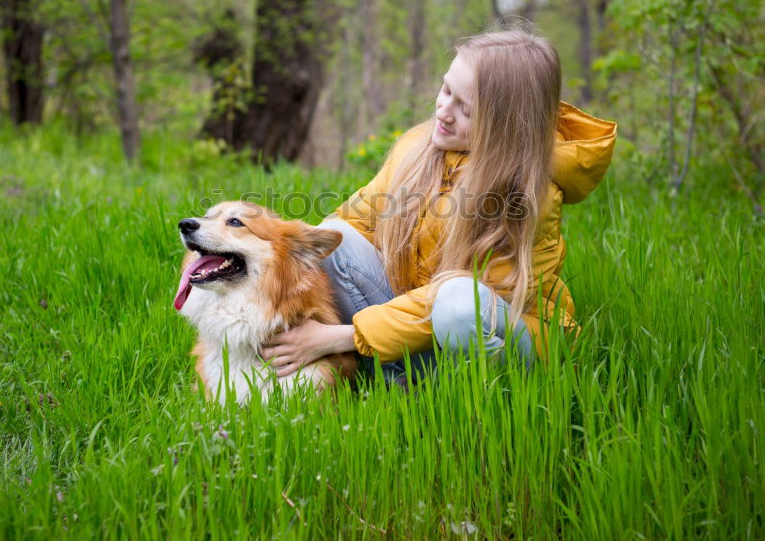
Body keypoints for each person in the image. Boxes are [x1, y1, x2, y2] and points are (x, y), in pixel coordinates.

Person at [261, 28, 616, 380]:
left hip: (502, 344)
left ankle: (482, 404)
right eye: (446, 90)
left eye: (465, 109)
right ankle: (397, 383)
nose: (444, 111)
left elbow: (462, 304)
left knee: (460, 303)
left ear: (506, 126)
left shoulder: (528, 193)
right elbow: (354, 222)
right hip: (422, 332)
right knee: (332, 237)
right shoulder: (418, 147)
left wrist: (338, 337)